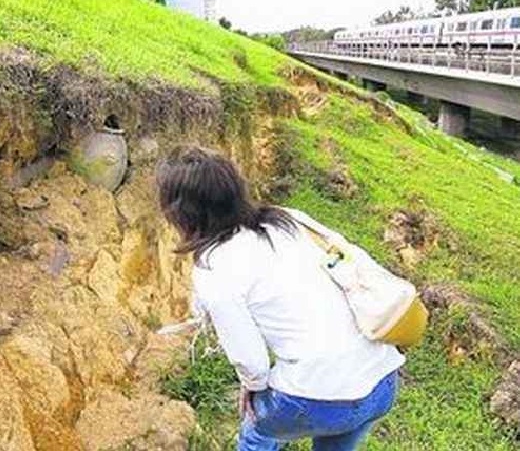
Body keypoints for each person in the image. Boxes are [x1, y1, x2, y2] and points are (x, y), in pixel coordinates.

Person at [156, 146, 405, 451]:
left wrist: (253, 390)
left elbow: (253, 364)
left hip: (319, 401)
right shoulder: (287, 219)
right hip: (382, 381)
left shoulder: (214, 267)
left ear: (182, 214)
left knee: (259, 430)